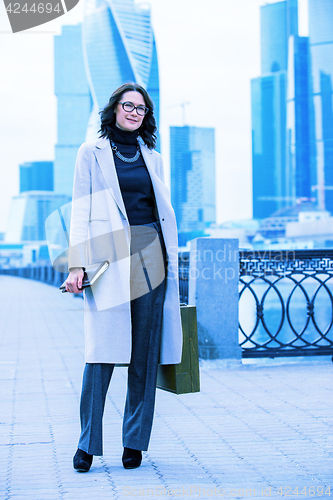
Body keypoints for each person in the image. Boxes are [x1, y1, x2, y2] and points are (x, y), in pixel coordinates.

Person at [64, 82, 183, 471]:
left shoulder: (154, 157)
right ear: (113, 109)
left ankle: (134, 441)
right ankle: (87, 444)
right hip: (109, 257)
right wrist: (77, 265)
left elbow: (160, 209)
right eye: (128, 105)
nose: (134, 112)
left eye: (141, 109)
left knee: (144, 356)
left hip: (152, 253)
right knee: (100, 354)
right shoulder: (91, 153)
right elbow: (81, 210)